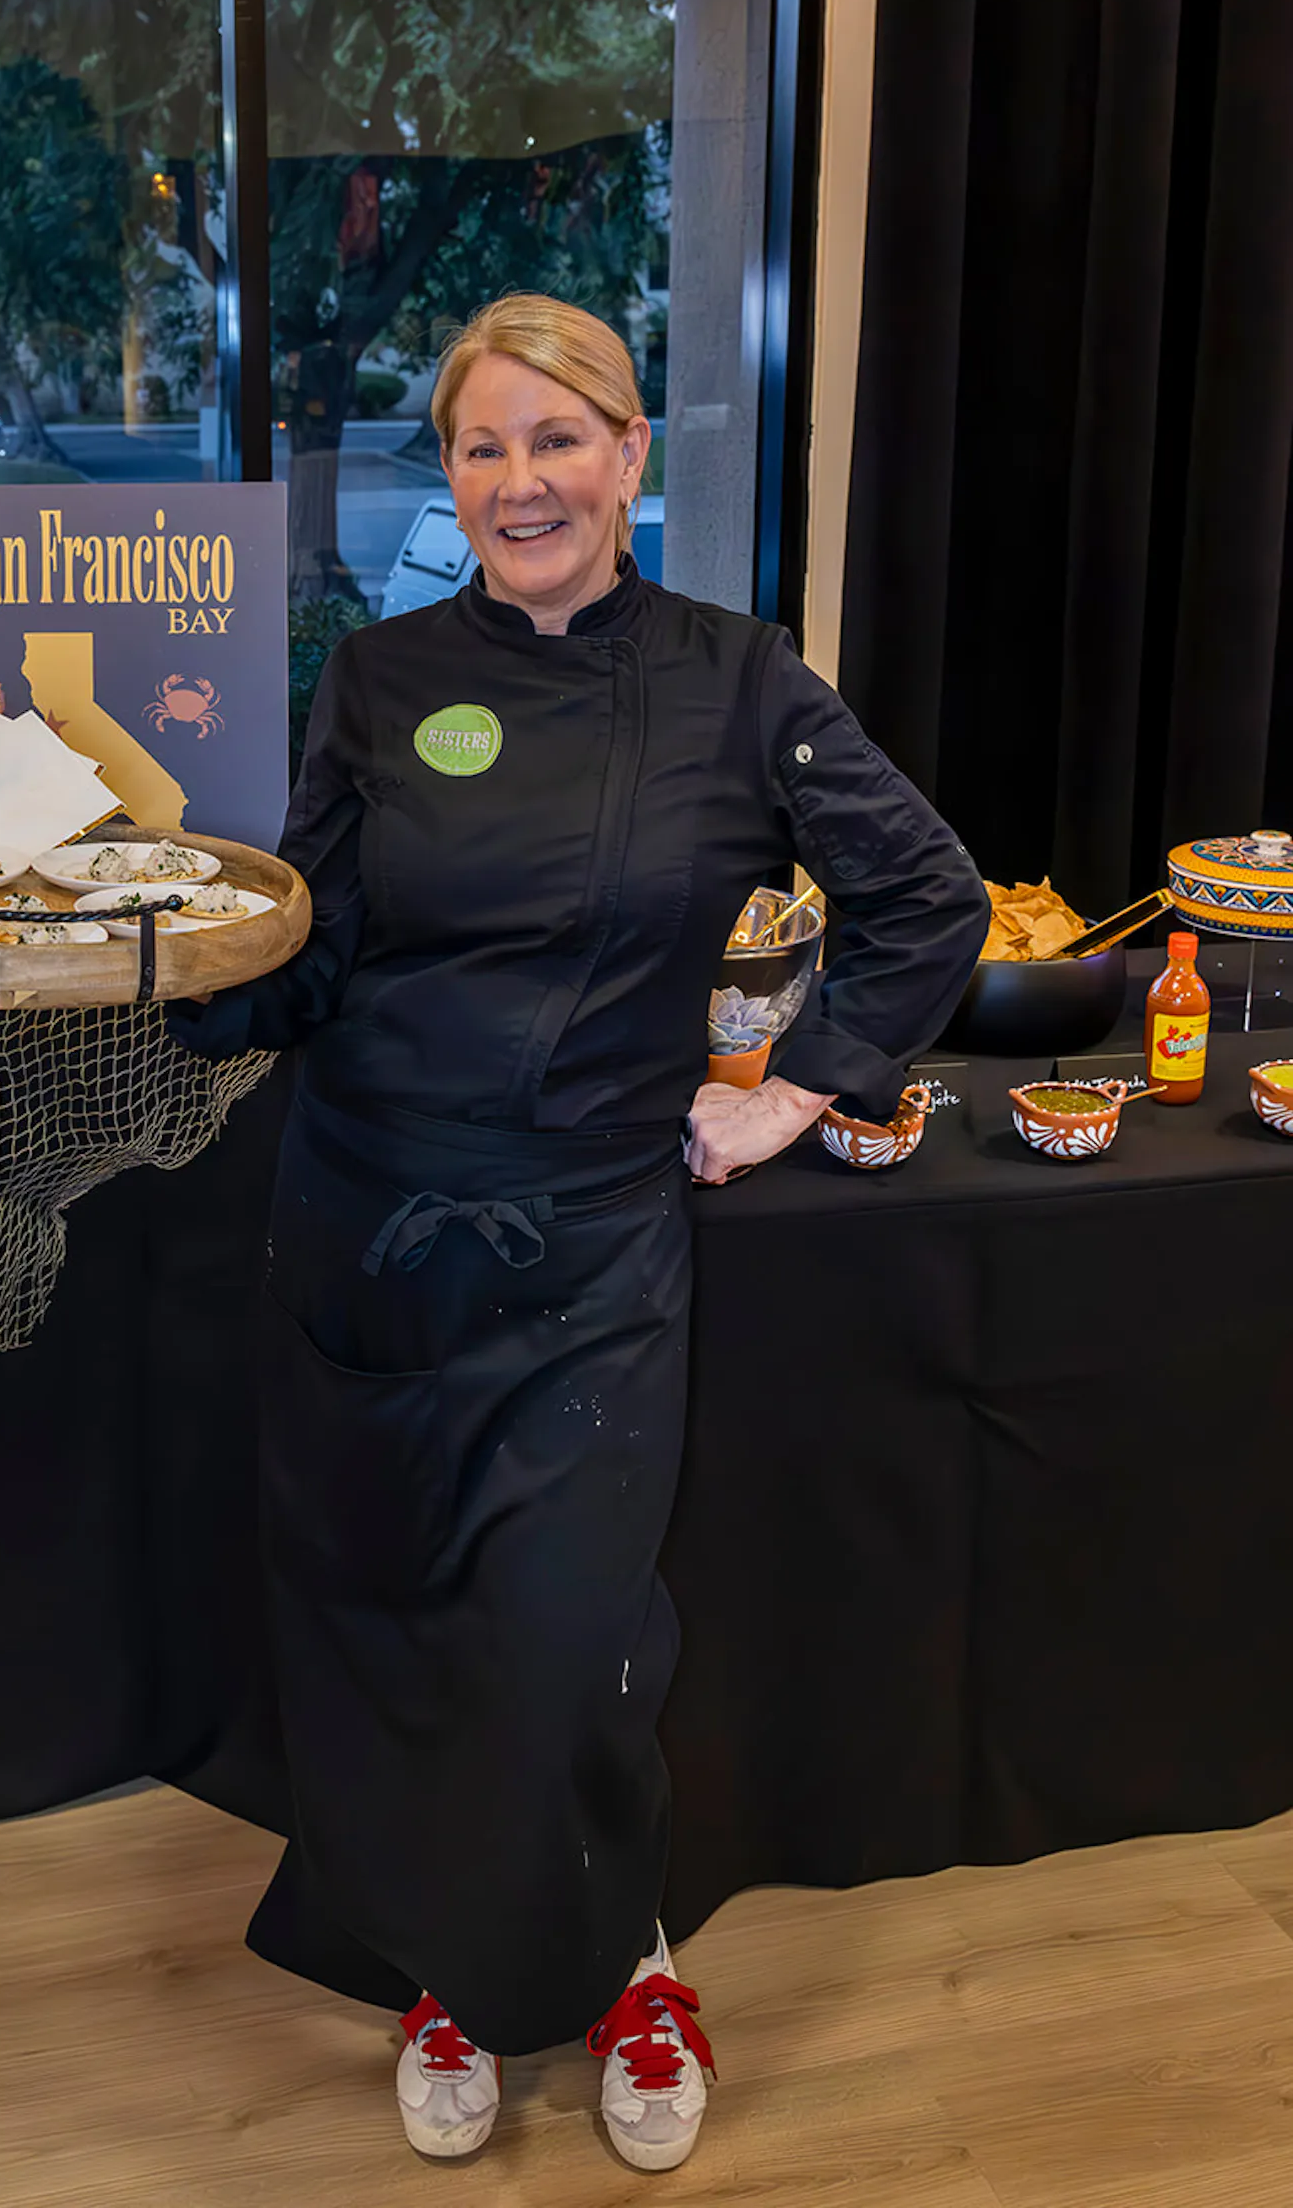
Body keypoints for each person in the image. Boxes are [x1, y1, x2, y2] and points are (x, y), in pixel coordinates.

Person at [168, 294, 988, 2173]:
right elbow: (323, 951)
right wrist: (155, 974)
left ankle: (626, 1963)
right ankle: (448, 1968)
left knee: (568, 1633)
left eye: (559, 438)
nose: (521, 478)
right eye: (483, 445)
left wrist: (798, 1080)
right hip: (363, 1225)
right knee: (398, 1624)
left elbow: (924, 896)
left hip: (591, 1246)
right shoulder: (377, 678)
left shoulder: (737, 678)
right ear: (447, 475)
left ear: (630, 455)